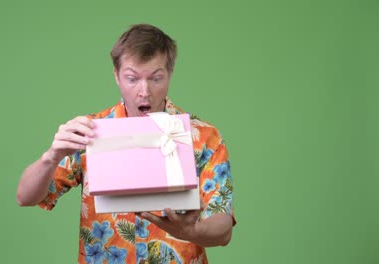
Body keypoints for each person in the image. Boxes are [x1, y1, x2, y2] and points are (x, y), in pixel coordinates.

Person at [17, 23, 235, 264]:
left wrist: (192, 232)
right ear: (116, 76)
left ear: (170, 74)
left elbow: (223, 228)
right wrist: (51, 156)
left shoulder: (204, 137)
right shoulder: (90, 132)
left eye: (156, 78)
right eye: (132, 78)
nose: (144, 91)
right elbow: (26, 197)